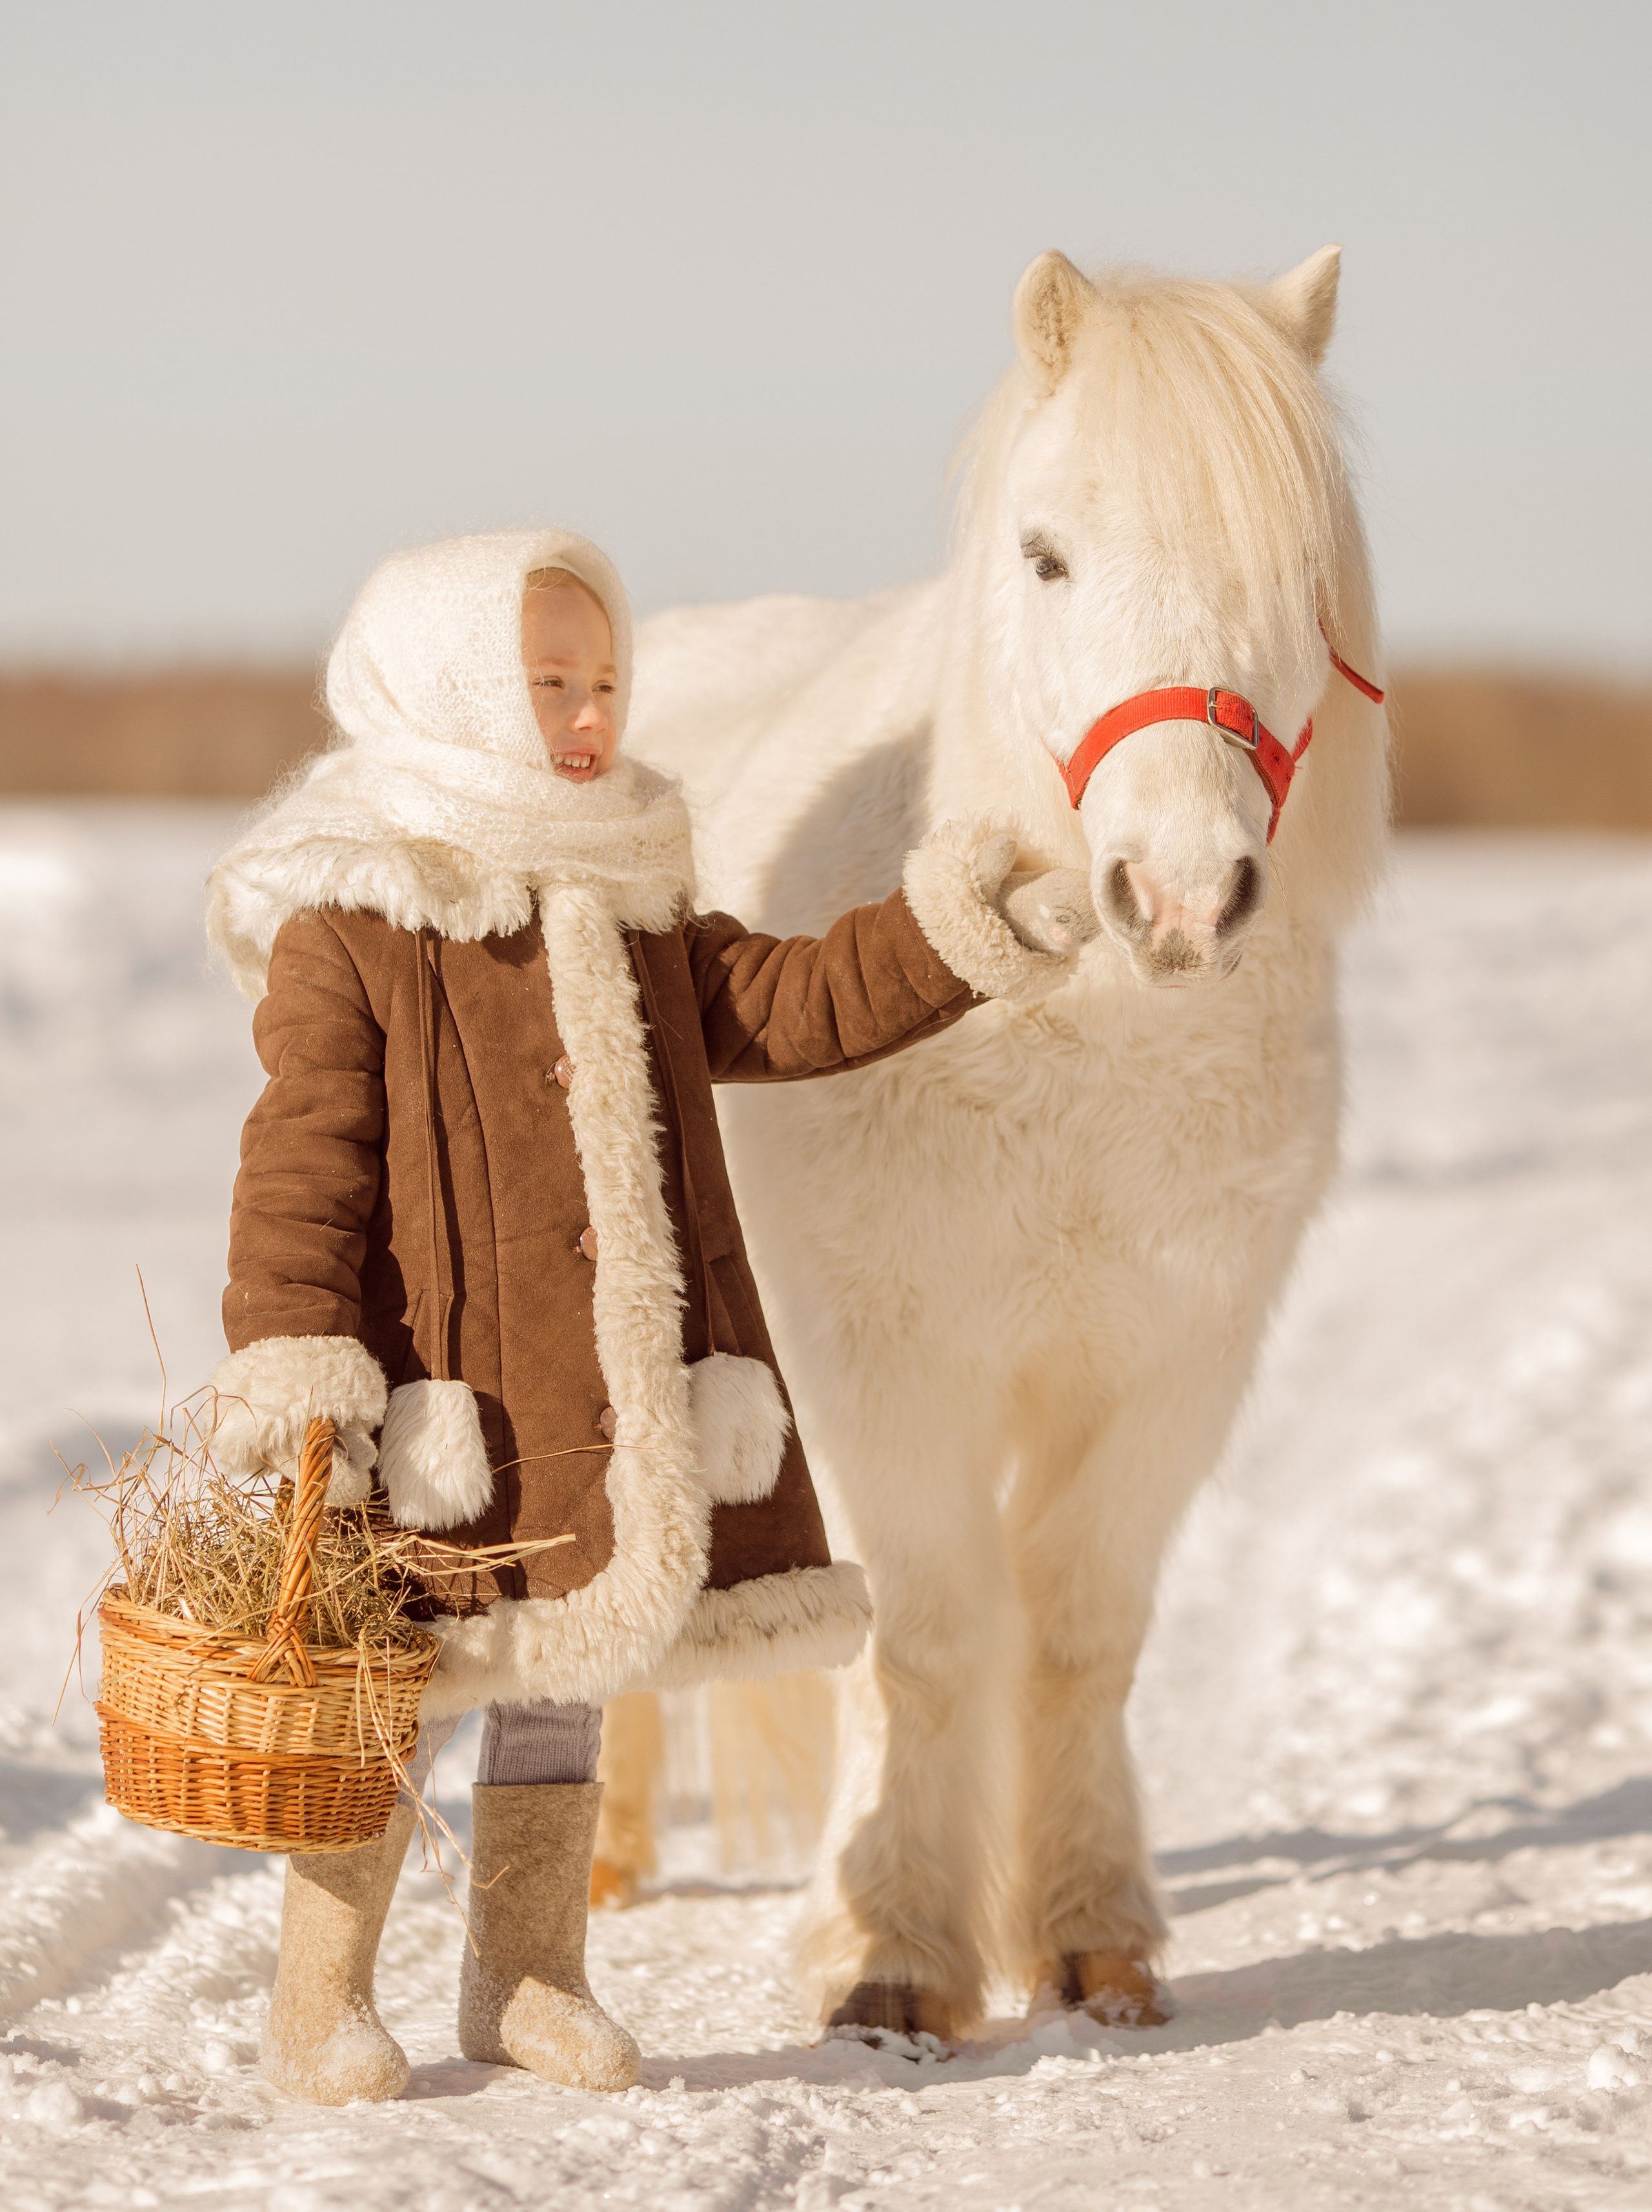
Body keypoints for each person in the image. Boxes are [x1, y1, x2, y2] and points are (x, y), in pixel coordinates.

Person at [203, 528, 1088, 2107]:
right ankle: (317, 1998)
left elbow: (793, 1002)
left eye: (604, 679)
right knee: (386, 1689)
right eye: (546, 683)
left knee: (562, 1681)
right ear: (454, 686)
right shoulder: (352, 913)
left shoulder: (629, 891)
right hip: (437, 1403)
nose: (588, 714)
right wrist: (294, 1351)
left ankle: (528, 1979)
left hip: (596, 1390)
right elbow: (301, 1162)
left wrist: (961, 925)